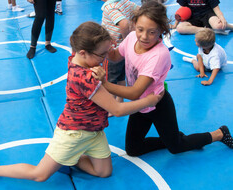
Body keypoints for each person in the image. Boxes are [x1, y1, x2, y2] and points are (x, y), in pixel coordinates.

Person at [0, 21, 161, 181]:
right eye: (102, 54)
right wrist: (148, 100)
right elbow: (118, 110)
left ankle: (73, 158)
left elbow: (97, 69)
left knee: (104, 172)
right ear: (83, 52)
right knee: (40, 175)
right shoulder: (86, 78)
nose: (105, 58)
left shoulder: (76, 59)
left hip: (94, 131)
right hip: (74, 133)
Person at [91, 1, 233, 157]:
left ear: (161, 31)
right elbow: (116, 56)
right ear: (134, 25)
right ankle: (173, 137)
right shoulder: (132, 37)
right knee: (133, 149)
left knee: (176, 147)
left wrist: (104, 84)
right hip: (140, 105)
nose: (144, 36)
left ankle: (219, 133)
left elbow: (134, 92)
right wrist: (104, 47)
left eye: (152, 32)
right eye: (140, 29)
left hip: (157, 104)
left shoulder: (158, 55)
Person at [101, 0, 139, 117]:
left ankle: (111, 107)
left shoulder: (110, 7)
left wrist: (126, 38)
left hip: (114, 50)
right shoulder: (125, 2)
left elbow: (123, 24)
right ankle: (120, 101)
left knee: (109, 79)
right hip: (123, 51)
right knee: (121, 76)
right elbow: (139, 10)